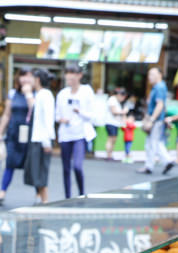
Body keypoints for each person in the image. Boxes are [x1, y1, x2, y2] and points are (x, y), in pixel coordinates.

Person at [0, 68, 33, 207]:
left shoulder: (36, 94)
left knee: (32, 165)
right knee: (10, 163)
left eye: (28, 76)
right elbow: (7, 114)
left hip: (29, 135)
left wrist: (28, 94)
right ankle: (2, 193)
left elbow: (34, 111)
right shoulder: (13, 93)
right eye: (23, 76)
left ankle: (39, 194)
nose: (25, 79)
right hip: (13, 133)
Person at [55, 64, 94, 199]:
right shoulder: (62, 94)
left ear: (79, 76)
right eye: (67, 74)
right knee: (66, 168)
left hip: (80, 134)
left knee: (77, 166)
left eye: (72, 74)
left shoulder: (86, 92)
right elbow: (56, 115)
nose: (70, 77)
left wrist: (79, 111)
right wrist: (62, 119)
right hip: (65, 134)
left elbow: (91, 115)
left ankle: (82, 193)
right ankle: (67, 197)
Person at [24, 68, 55, 204]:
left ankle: (45, 201)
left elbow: (48, 119)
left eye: (32, 78)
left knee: (41, 173)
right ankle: (42, 200)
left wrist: (47, 142)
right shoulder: (41, 94)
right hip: (38, 139)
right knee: (37, 173)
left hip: (42, 140)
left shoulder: (45, 95)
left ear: (37, 80)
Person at [139, 67, 174, 175]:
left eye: (152, 74)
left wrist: (152, 120)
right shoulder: (158, 87)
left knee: (152, 144)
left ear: (160, 75)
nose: (150, 77)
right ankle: (167, 161)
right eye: (149, 75)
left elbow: (160, 105)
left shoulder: (159, 87)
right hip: (157, 120)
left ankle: (150, 166)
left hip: (156, 121)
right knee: (155, 143)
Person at [103, 87, 127, 161]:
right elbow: (114, 112)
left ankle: (110, 155)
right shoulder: (112, 100)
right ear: (119, 95)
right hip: (110, 122)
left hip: (115, 123)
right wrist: (123, 112)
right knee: (111, 139)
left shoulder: (116, 101)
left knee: (113, 139)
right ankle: (108, 155)